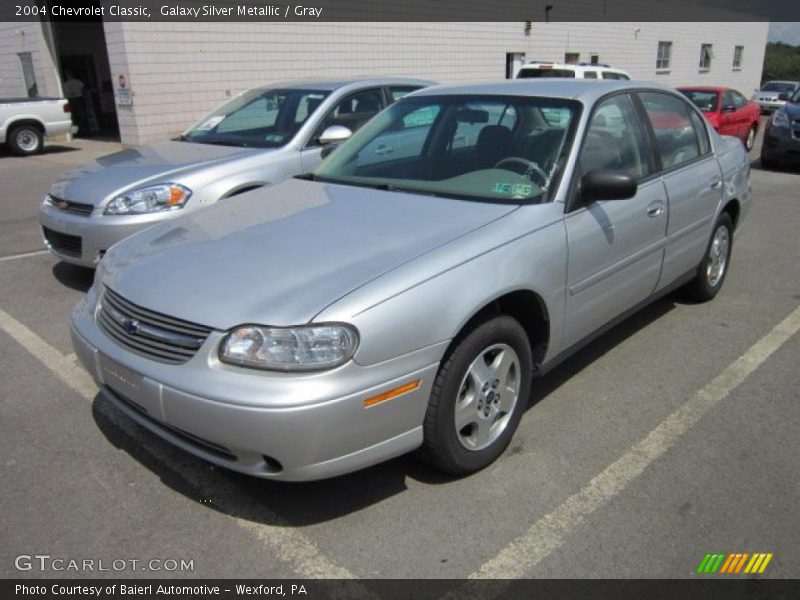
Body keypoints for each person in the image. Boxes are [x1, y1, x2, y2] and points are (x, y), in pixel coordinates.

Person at [63, 70, 87, 135]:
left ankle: (76, 133)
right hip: (79, 99)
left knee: (74, 117)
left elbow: (65, 93)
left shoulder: (65, 84)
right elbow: (83, 90)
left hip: (71, 100)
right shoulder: (78, 82)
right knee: (82, 115)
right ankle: (84, 131)